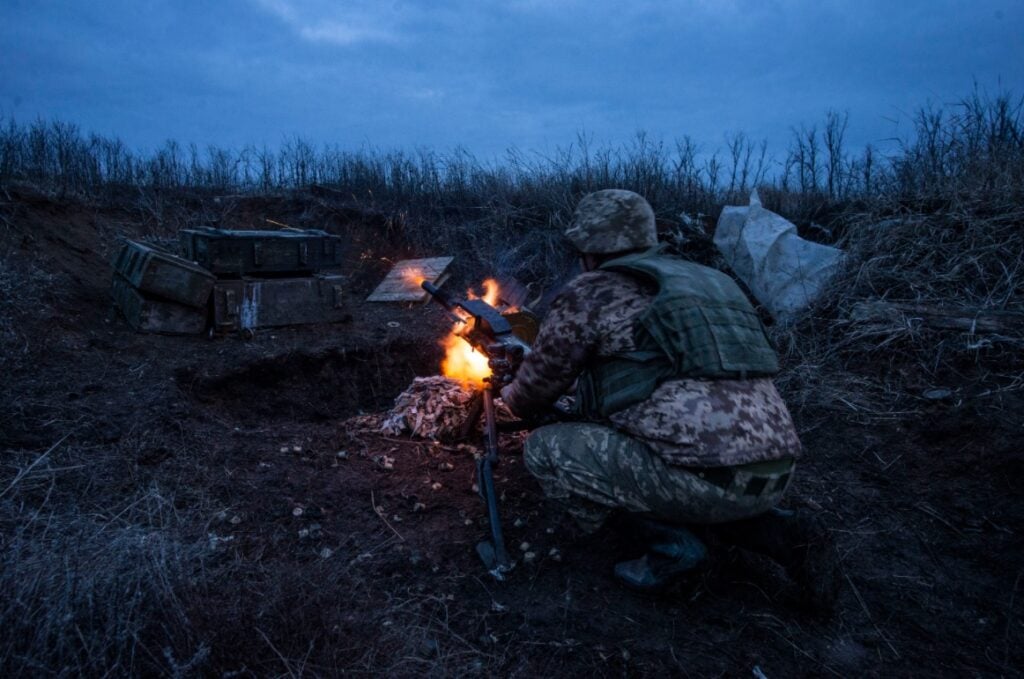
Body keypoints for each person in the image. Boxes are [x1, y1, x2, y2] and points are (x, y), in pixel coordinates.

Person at [500, 189, 838, 609]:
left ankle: (672, 547)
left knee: (546, 449)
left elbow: (537, 386)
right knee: (696, 472)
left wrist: (508, 398)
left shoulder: (593, 289)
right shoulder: (712, 281)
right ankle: (782, 533)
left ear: (588, 248)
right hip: (774, 474)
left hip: (700, 480)